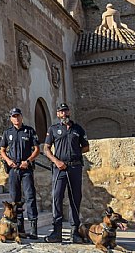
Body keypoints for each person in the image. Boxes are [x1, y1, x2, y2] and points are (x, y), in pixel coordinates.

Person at [44, 103, 89, 244]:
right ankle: (57, 232)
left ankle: (75, 232)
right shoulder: (53, 129)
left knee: (75, 199)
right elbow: (46, 149)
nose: (64, 114)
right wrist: (56, 161)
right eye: (61, 112)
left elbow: (86, 147)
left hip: (75, 168)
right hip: (59, 168)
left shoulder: (78, 129)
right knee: (57, 197)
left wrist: (75, 154)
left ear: (69, 112)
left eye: (65, 111)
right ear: (57, 114)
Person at [0, 107, 40, 239]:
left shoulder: (29, 131)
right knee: (15, 199)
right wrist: (8, 161)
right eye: (13, 116)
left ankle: (33, 229)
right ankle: (20, 227)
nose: (16, 118)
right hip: (13, 169)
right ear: (11, 119)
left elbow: (37, 149)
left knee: (30, 197)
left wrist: (28, 161)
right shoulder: (7, 133)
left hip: (26, 168)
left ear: (21, 117)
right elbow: (2, 150)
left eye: (18, 116)